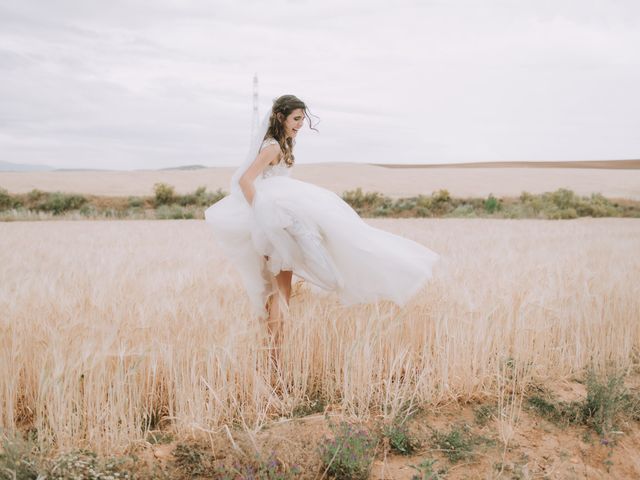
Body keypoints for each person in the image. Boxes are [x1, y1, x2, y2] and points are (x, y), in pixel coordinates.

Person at [205, 94, 440, 361]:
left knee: (279, 290)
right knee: (282, 291)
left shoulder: (281, 145)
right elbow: (245, 180)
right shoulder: (271, 148)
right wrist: (264, 218)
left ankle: (271, 353)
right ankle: (273, 356)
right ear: (281, 117)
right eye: (296, 119)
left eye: (302, 119)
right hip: (274, 226)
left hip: (278, 223)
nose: (300, 124)